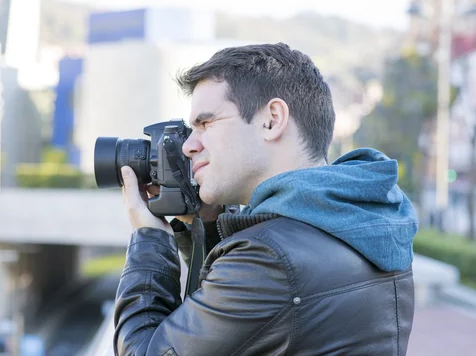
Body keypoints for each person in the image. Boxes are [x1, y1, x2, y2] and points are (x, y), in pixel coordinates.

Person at [113, 43, 417, 355]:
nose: (189, 145)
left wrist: (150, 238)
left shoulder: (269, 258)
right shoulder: (359, 219)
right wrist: (208, 224)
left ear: (272, 120)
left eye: (205, 124)